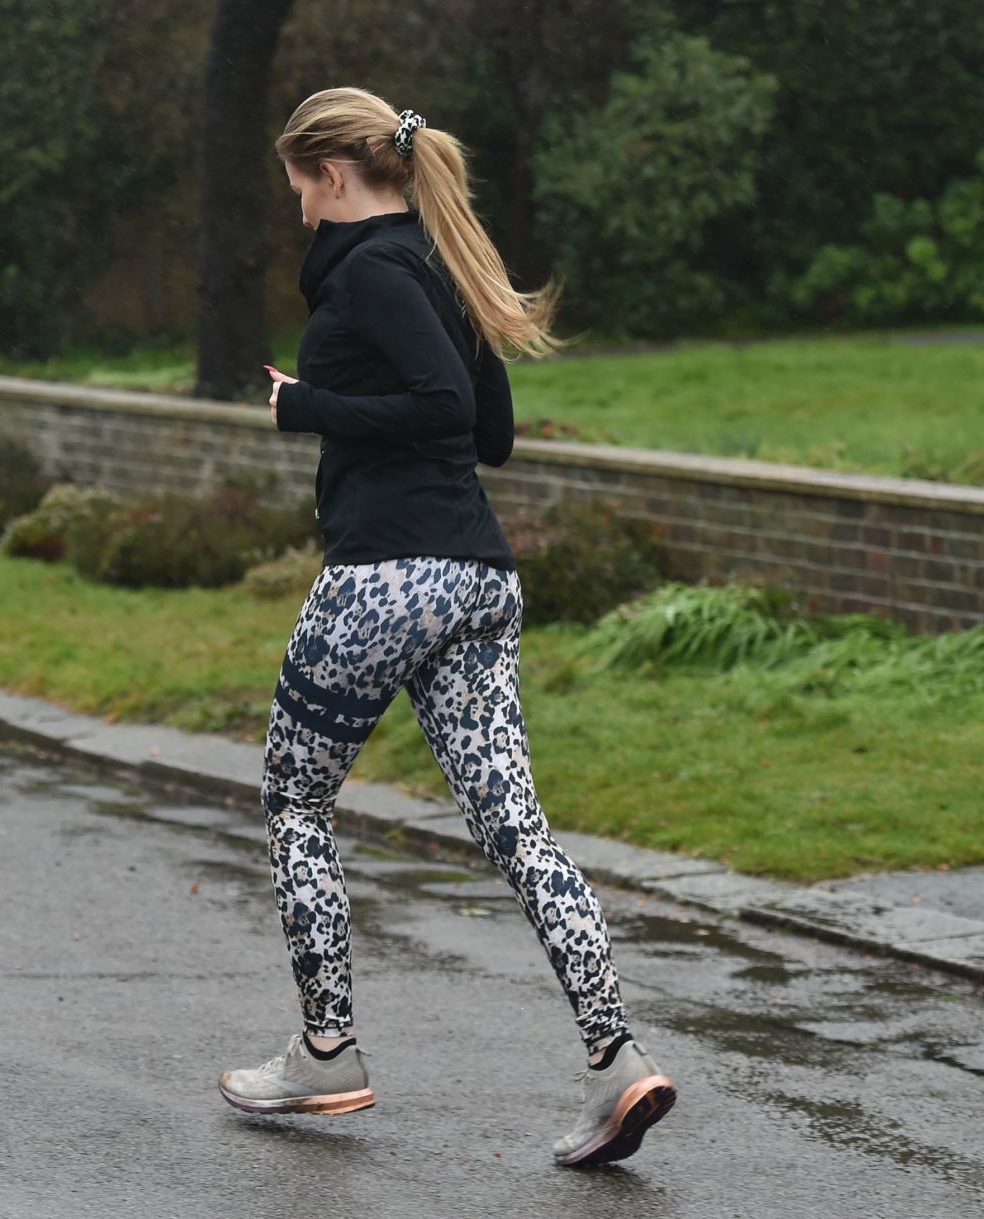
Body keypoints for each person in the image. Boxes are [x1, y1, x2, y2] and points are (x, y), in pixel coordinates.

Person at [217, 86, 676, 1167]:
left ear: (333, 173)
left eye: (296, 182)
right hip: (476, 580)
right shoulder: (436, 266)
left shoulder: (372, 270)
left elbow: (438, 410)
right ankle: (617, 1060)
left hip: (385, 579)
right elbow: (492, 432)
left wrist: (305, 407)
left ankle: (326, 1048)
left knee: (293, 797)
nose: (293, 206)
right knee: (516, 827)